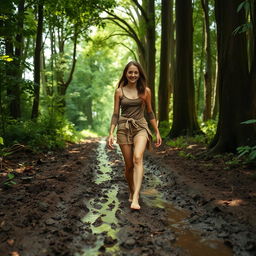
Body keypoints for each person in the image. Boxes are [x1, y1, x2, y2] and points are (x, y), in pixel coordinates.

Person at [107, 61, 162, 210]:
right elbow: (115, 114)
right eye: (130, 72)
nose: (133, 75)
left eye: (135, 72)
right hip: (123, 128)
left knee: (137, 157)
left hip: (141, 127)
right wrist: (111, 133)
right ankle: (131, 190)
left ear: (139, 74)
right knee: (129, 165)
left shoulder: (146, 91)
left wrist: (157, 131)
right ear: (126, 73)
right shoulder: (119, 91)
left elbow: (150, 112)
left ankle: (136, 197)